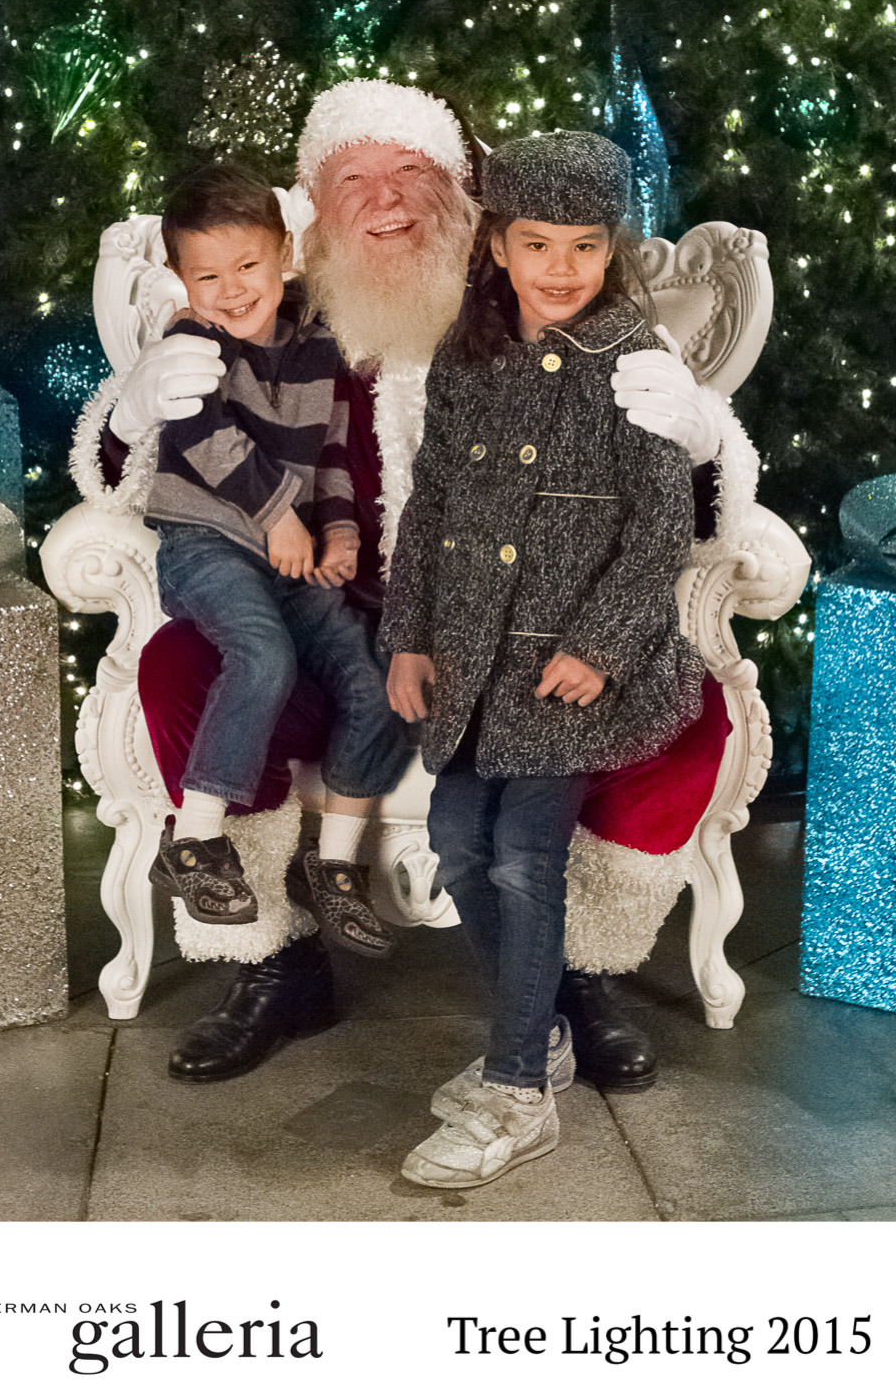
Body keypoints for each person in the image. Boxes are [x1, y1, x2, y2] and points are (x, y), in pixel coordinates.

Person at [73, 78, 752, 1087]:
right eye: (354, 179)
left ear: (466, 198)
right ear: (312, 208)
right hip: (326, 623)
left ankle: (578, 970)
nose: (386, 199)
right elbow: (154, 469)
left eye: (411, 172)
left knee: (690, 719)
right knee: (179, 673)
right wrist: (131, 413)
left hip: (526, 634)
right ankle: (273, 959)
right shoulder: (270, 312)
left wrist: (702, 440)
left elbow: (659, 506)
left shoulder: (534, 305)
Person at [382, 129, 705, 1187]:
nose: (561, 269)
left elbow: (659, 530)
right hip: (475, 661)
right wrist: (409, 636)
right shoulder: (467, 356)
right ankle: (548, 1034)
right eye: (537, 244)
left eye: (584, 246)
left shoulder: (635, 365)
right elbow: (430, 505)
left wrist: (598, 648)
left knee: (525, 855)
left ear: (611, 249)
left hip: (570, 673)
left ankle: (519, 1087)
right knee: (456, 842)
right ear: (498, 245)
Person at [143, 160, 413, 956]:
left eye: (248, 266)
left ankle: (334, 866)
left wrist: (341, 533)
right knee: (262, 654)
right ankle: (195, 839)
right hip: (206, 542)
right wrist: (275, 518)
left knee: (375, 680)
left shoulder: (316, 343)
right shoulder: (192, 340)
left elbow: (330, 452)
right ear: (180, 278)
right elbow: (200, 436)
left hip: (288, 552)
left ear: (284, 255)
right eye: (208, 276)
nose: (231, 291)